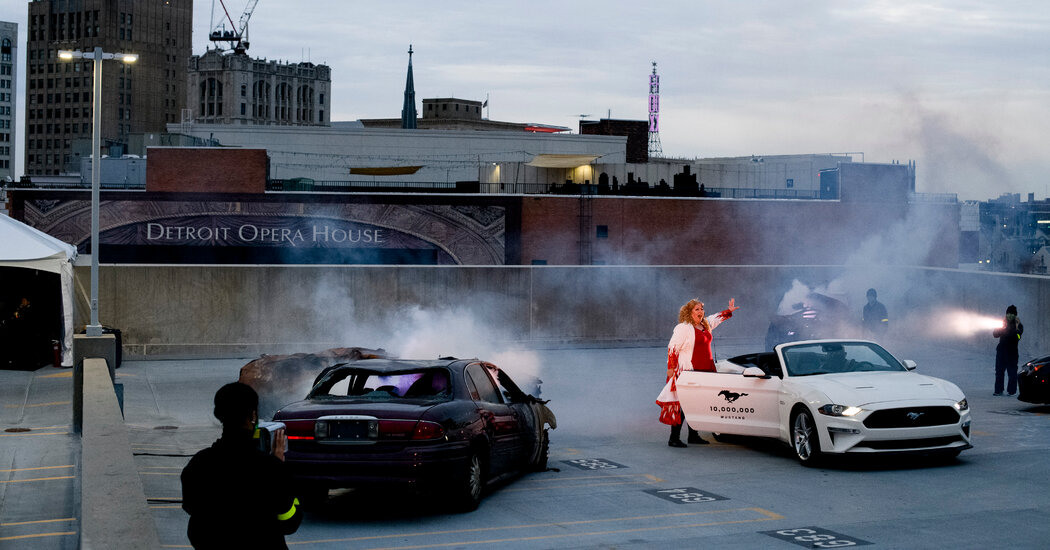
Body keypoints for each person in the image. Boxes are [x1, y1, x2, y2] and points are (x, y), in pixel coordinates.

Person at [181, 382, 302, 549]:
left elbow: (191, 510)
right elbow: (290, 522)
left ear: (218, 415)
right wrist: (278, 467)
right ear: (253, 416)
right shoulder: (270, 469)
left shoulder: (199, 464)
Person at [657, 298, 740, 448]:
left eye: (702, 309)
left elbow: (716, 318)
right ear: (689, 312)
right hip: (689, 371)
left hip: (705, 370)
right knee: (683, 403)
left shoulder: (705, 324)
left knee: (696, 403)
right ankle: (673, 438)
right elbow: (673, 347)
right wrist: (671, 367)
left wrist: (728, 312)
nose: (700, 311)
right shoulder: (684, 328)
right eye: (697, 309)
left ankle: (693, 435)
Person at [992, 305, 1024, 396]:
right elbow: (995, 334)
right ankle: (998, 390)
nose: (1009, 315)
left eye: (1012, 314)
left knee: (1012, 372)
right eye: (1008, 313)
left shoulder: (1018, 325)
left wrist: (1012, 331)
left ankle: (1011, 391)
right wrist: (1002, 329)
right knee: (999, 371)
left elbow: (1018, 337)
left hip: (1012, 352)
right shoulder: (1001, 323)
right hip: (1001, 351)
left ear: (1015, 315)